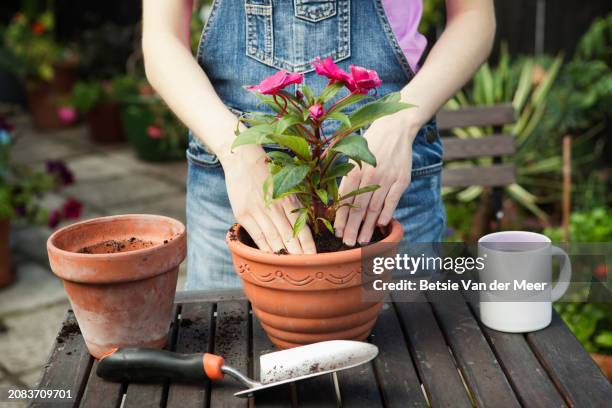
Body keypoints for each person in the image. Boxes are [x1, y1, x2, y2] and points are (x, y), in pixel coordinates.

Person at [142, 0, 496, 290]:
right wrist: (235, 149)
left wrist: (402, 120)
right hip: (239, 186)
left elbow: (473, 15)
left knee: (403, 358)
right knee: (236, 351)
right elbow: (162, 38)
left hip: (381, 180)